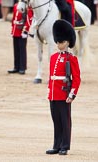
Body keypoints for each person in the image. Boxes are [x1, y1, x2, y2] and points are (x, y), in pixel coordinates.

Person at [46, 19, 81, 155]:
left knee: (65, 121)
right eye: (58, 42)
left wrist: (72, 93)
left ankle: (64, 146)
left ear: (68, 42)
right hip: (54, 94)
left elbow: (76, 78)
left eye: (62, 42)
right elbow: (51, 76)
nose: (59, 44)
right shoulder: (53, 57)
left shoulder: (71, 58)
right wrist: (49, 91)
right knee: (56, 120)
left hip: (64, 93)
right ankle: (56, 144)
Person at [8, 0, 33, 74]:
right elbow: (13, 19)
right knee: (16, 50)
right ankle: (16, 67)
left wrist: (26, 30)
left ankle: (22, 67)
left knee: (22, 50)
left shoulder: (27, 7)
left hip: (22, 31)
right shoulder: (16, 5)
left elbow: (29, 19)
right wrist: (13, 29)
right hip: (15, 30)